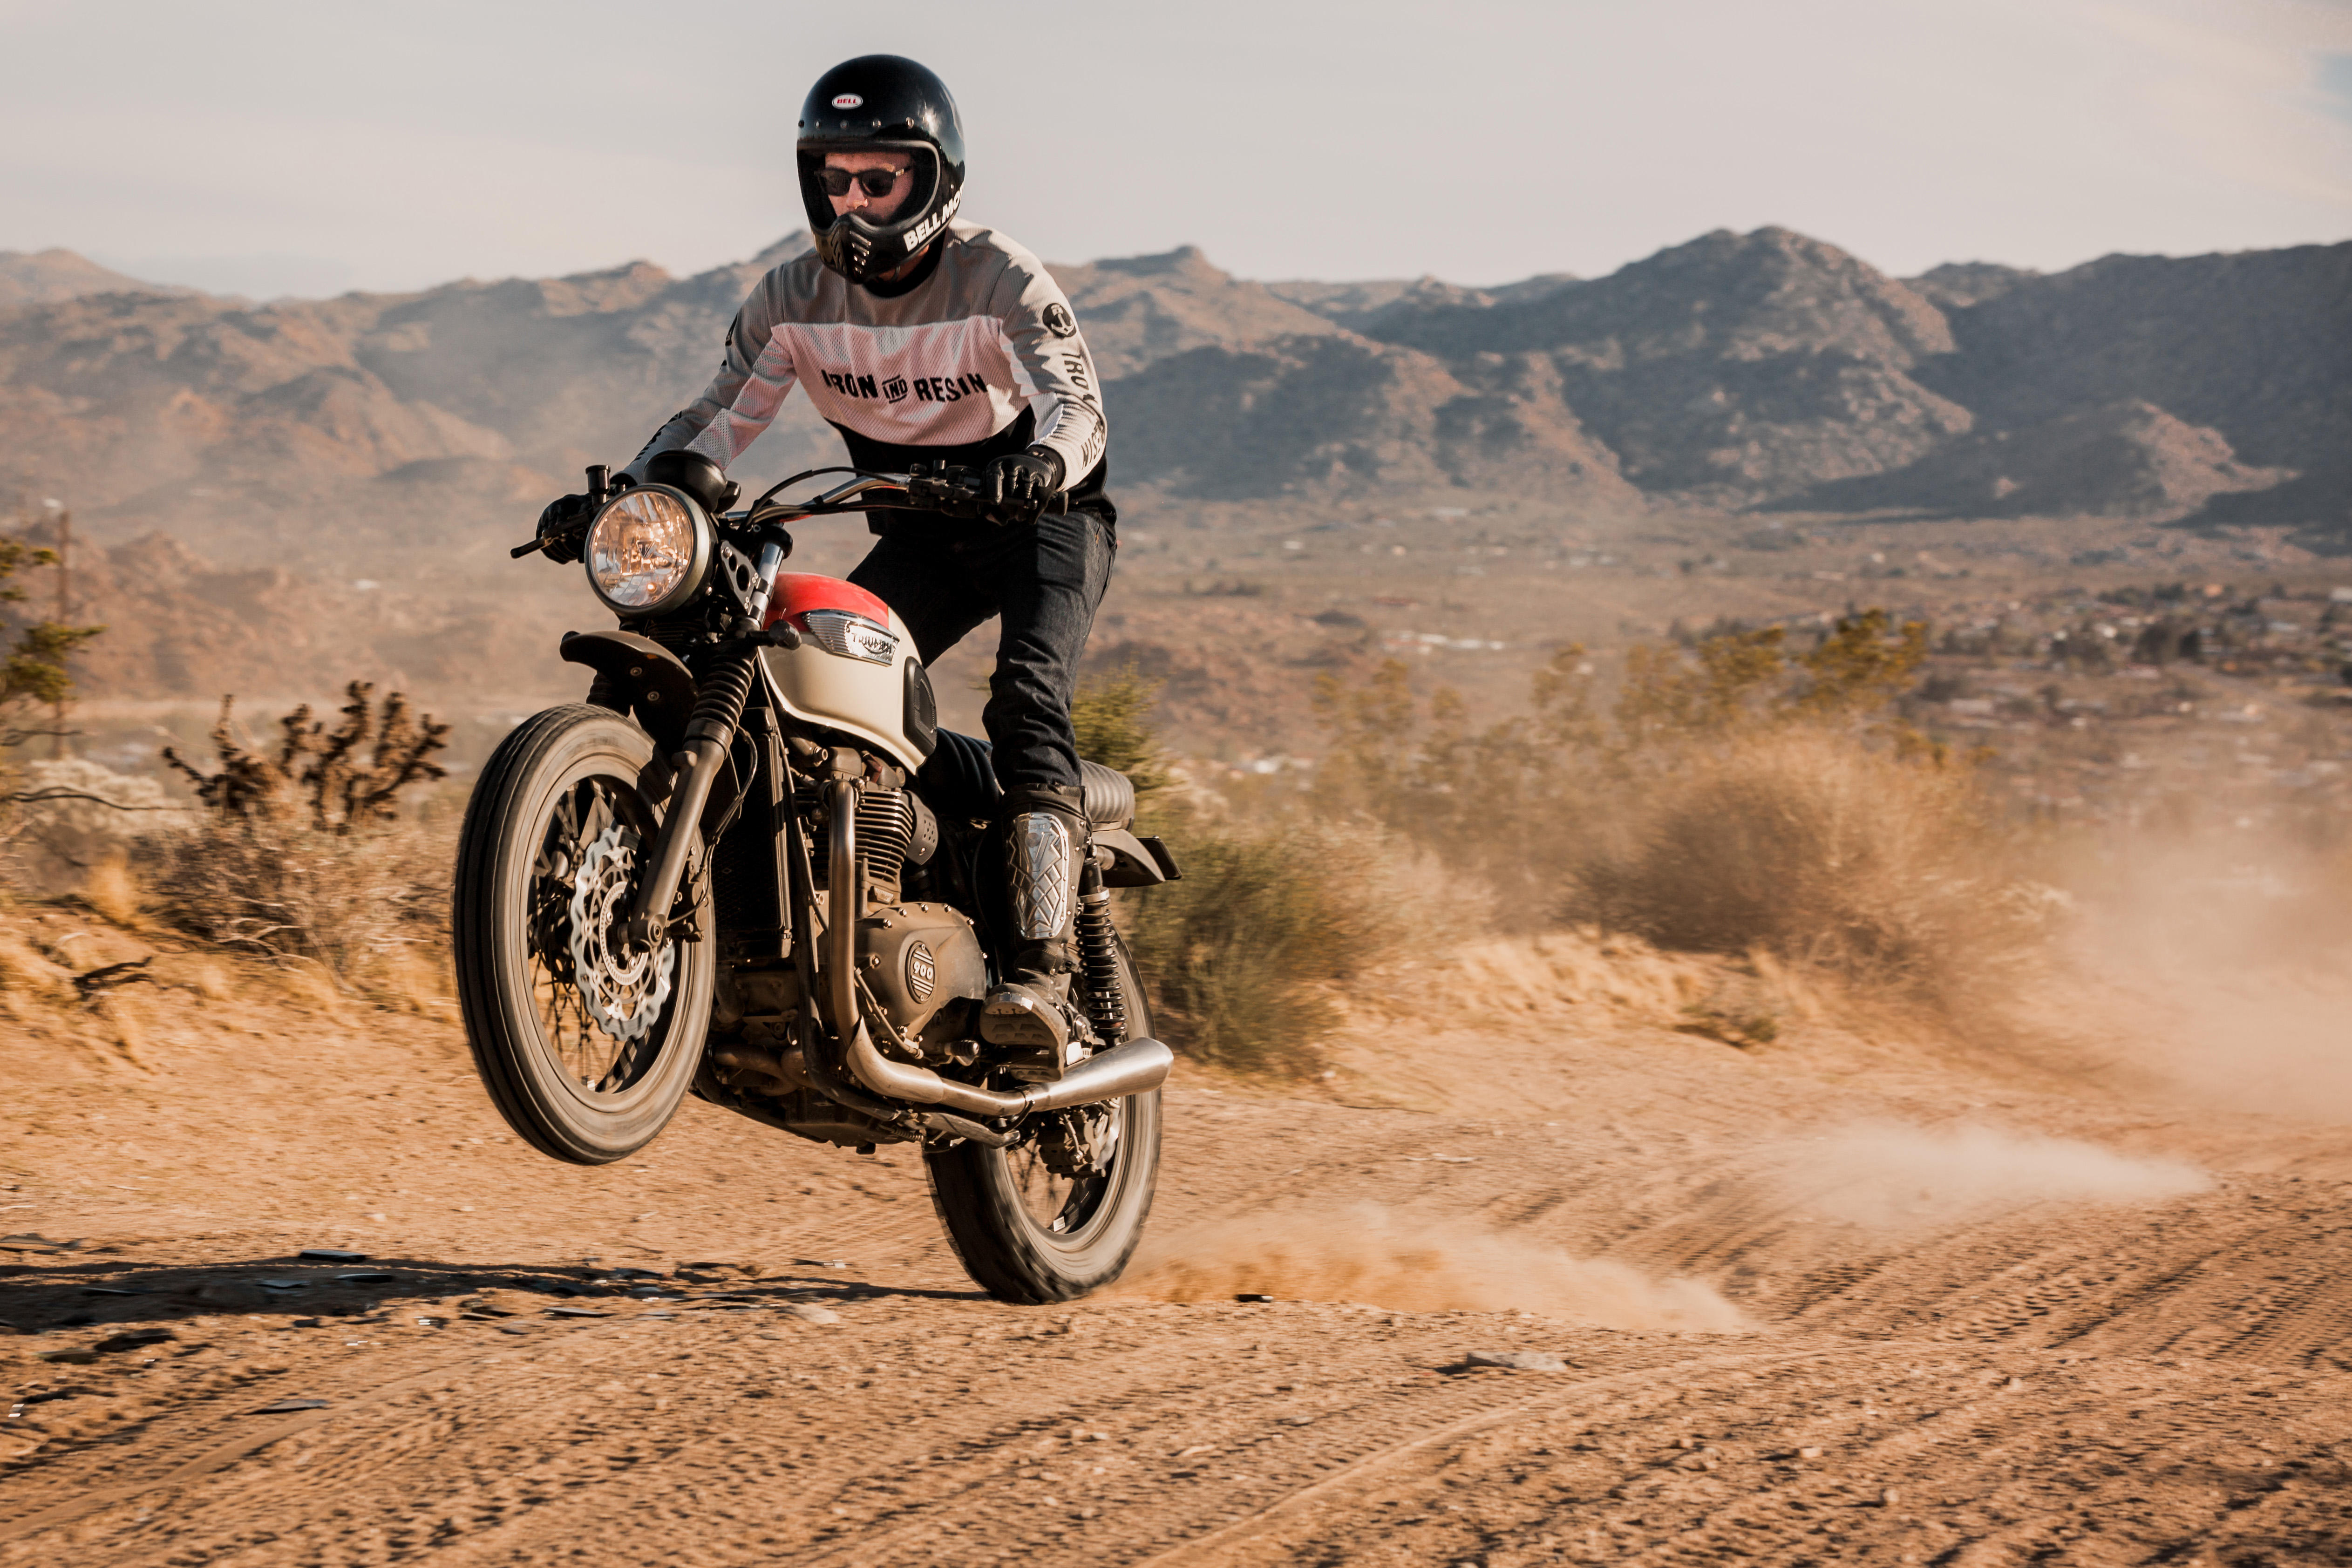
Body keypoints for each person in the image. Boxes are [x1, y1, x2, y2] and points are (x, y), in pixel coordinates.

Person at [535, 54, 1113, 1060]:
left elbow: (1078, 408)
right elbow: (715, 420)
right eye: (832, 179)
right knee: (830, 698)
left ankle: (1041, 970)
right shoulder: (793, 299)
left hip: (1040, 520)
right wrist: (626, 499)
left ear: (932, 181)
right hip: (921, 534)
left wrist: (1041, 467)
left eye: (877, 179)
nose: (852, 201)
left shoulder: (1000, 276)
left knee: (1024, 694)